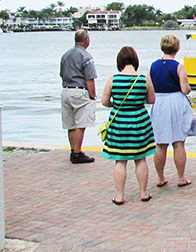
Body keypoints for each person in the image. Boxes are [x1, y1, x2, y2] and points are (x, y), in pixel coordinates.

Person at [101, 46, 156, 205]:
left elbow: (105, 102)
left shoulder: (113, 79)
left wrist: (117, 105)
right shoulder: (144, 79)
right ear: (135, 61)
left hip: (119, 122)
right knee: (140, 159)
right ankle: (144, 193)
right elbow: (151, 100)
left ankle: (119, 196)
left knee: (120, 159)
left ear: (120, 61)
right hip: (139, 120)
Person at [149, 34, 196, 188]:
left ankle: (160, 177)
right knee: (179, 142)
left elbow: (148, 87)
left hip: (160, 102)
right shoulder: (178, 66)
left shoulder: (152, 66)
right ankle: (181, 177)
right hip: (176, 102)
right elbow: (185, 89)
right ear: (177, 48)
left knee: (160, 143)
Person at [59, 29, 97, 164]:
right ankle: (77, 152)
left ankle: (72, 150)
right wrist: (92, 96)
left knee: (70, 123)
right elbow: (90, 78)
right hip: (79, 90)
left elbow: (61, 73)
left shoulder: (65, 55)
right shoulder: (86, 57)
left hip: (66, 90)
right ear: (86, 40)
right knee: (81, 123)